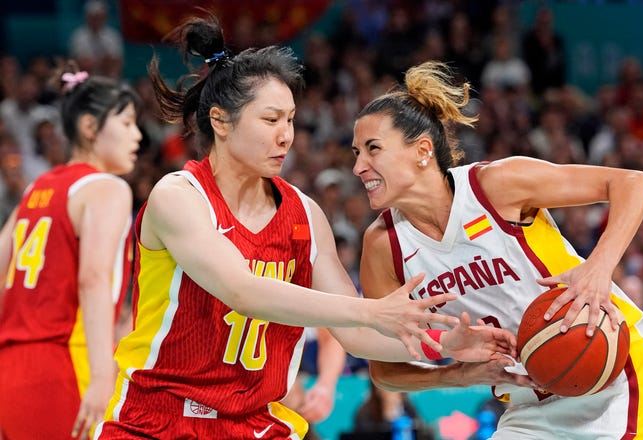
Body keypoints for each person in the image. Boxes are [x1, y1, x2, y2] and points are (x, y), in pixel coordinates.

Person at [93, 15, 516, 440]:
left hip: (255, 423)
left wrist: (444, 348)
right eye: (271, 120)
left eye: (291, 120)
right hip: (158, 420)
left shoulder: (305, 214)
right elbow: (243, 291)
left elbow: (356, 335)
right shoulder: (178, 197)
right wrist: (372, 309)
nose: (286, 136)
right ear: (221, 122)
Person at [351, 60, 643, 439]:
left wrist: (599, 267)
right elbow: (384, 369)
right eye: (356, 154)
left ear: (422, 150)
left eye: (373, 149)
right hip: (527, 403)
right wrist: (462, 374)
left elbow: (633, 183)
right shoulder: (382, 245)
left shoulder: (496, 186)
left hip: (612, 379)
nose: (359, 167)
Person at [0, 67, 142, 439]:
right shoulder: (107, 189)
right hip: (66, 362)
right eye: (127, 124)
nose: (138, 136)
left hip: (11, 369)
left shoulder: (36, 189)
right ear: (90, 128)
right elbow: (92, 279)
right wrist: (100, 376)